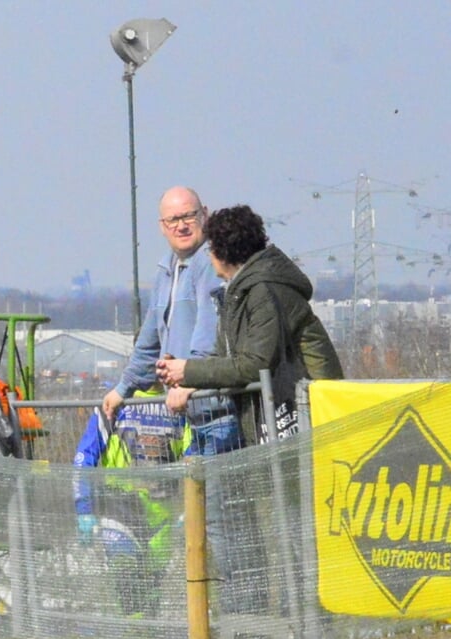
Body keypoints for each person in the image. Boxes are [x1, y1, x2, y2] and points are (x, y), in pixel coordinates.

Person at [157, 204, 343, 441]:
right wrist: (190, 379)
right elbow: (230, 358)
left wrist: (187, 370)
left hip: (306, 418)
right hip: (280, 419)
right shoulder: (243, 291)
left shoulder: (264, 290)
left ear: (224, 251)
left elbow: (255, 364)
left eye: (210, 248)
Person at [101, 187, 237, 455]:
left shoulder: (210, 262)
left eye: (189, 216)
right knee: (195, 494)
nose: (181, 226)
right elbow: (149, 340)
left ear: (205, 215)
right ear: (162, 226)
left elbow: (210, 331)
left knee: (215, 495)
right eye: (173, 220)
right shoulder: (166, 271)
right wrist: (123, 388)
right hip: (193, 416)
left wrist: (189, 381)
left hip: (221, 411)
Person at [72, 393, 189, 616]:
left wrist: (191, 510)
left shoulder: (179, 401)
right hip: (119, 506)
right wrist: (83, 508)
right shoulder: (113, 403)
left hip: (162, 512)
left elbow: (196, 455)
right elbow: (83, 458)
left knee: (152, 587)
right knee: (125, 573)